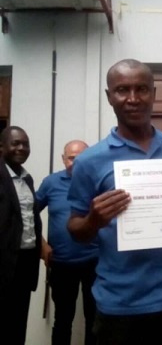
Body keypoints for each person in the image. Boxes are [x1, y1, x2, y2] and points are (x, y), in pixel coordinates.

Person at [67, 59, 162, 345]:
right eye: (122, 90)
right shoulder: (90, 161)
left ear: (154, 92)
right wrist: (93, 220)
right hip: (120, 304)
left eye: (142, 89)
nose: (133, 98)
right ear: (109, 97)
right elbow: (75, 229)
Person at [36, 139, 98, 345]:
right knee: (63, 320)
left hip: (95, 263)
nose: (76, 162)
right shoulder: (51, 183)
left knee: (95, 320)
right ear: (63, 160)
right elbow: (27, 215)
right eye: (71, 158)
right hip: (61, 264)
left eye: (81, 158)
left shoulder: (98, 182)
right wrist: (41, 245)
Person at [0, 126, 43, 344]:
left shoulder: (27, 179)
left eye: (25, 144)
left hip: (25, 263)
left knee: (18, 323)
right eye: (15, 143)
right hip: (3, 263)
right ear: (1, 147)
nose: (21, 148)